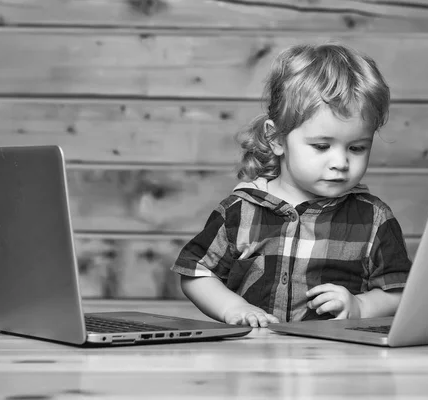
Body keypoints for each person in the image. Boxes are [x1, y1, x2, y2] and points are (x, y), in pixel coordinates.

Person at [171, 43, 412, 328]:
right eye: (322, 146)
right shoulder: (241, 211)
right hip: (250, 358)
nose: (341, 163)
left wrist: (361, 305)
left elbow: (400, 292)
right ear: (276, 139)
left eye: (357, 148)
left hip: (340, 361)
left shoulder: (374, 218)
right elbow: (196, 272)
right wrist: (234, 308)